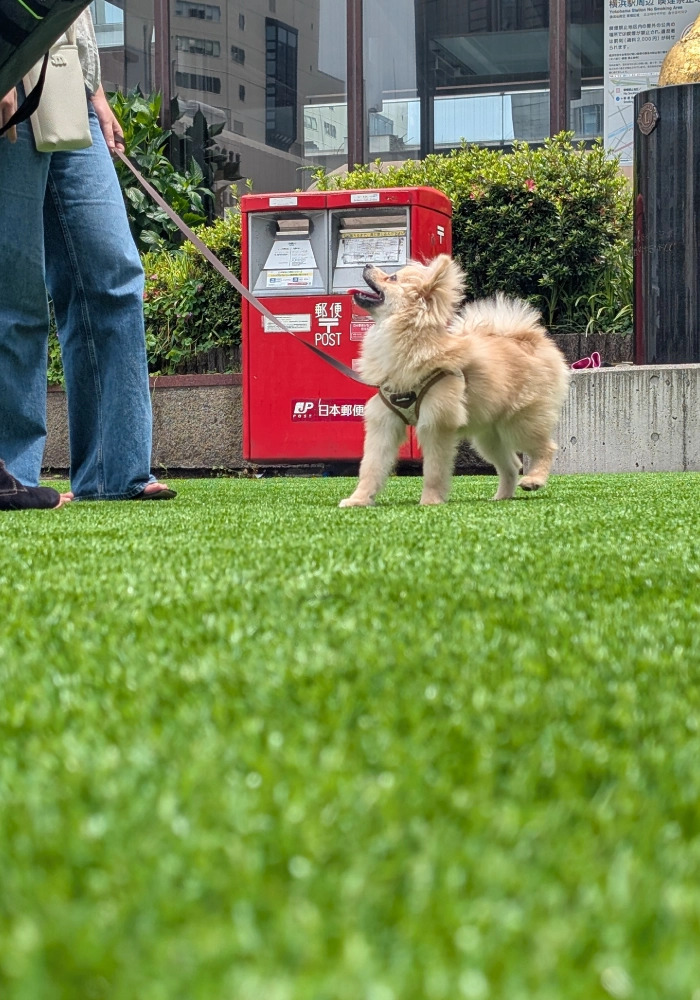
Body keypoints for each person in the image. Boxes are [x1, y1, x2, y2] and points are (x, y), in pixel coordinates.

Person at [0, 8, 175, 507]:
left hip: (67, 82)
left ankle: (115, 472)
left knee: (113, 272)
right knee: (14, 288)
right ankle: (9, 471)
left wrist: (94, 90)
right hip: (11, 68)